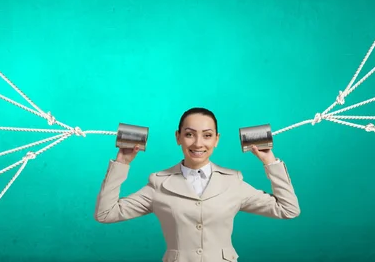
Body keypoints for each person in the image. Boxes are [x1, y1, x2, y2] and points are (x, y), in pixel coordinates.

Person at [94, 107, 300, 262]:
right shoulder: (159, 183)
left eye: (207, 135)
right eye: (190, 134)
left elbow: (288, 209)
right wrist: (121, 163)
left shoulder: (233, 182)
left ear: (217, 139)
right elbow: (106, 214)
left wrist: (270, 162)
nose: (198, 143)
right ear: (178, 137)